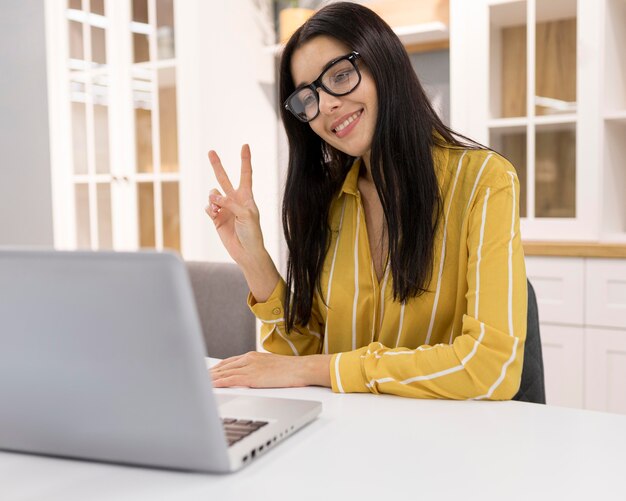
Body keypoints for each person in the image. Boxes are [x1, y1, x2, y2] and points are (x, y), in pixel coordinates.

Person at [206, 2, 527, 399]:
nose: (325, 106)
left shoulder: (484, 180)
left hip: (445, 445)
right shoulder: (324, 200)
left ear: (384, 63)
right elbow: (294, 361)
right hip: (343, 437)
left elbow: (491, 369)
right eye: (307, 98)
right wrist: (253, 258)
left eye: (340, 75)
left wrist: (322, 367)